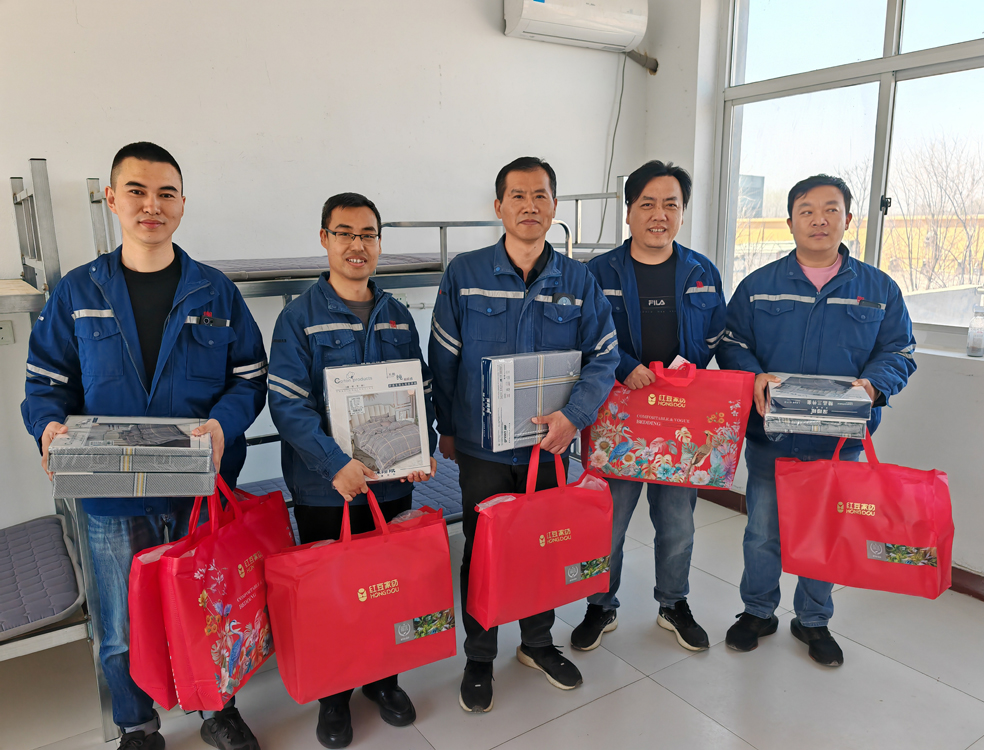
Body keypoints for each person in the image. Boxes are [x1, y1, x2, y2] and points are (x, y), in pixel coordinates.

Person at [22, 142, 268, 750]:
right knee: (118, 622)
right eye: (136, 191)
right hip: (110, 489)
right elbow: (45, 383)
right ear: (112, 199)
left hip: (199, 484)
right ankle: (136, 725)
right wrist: (47, 428)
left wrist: (222, 425)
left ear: (183, 204)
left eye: (165, 193)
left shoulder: (215, 292)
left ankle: (217, 707)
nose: (151, 205)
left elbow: (249, 378)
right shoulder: (78, 292)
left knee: (208, 603)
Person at [429, 156, 619, 713]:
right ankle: (480, 656)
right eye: (518, 196)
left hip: (549, 446)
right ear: (498, 207)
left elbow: (604, 357)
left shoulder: (579, 281)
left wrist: (574, 418)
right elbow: (443, 359)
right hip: (483, 449)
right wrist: (447, 428)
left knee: (544, 545)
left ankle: (537, 643)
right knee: (483, 550)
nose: (529, 206)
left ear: (554, 207)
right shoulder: (465, 274)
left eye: (540, 196)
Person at [717, 174, 916, 667]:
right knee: (762, 531)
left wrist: (874, 384)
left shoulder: (878, 289)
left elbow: (900, 350)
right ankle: (757, 612)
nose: (819, 220)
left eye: (831, 210)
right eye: (806, 210)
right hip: (774, 437)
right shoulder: (759, 286)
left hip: (839, 442)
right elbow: (731, 341)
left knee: (826, 532)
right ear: (790, 222)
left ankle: (812, 619)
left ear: (848, 220)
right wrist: (753, 375)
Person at [267, 192, 436, 749]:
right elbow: (287, 405)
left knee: (388, 584)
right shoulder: (298, 318)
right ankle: (334, 695)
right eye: (344, 233)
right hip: (326, 489)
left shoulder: (397, 314)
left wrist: (423, 450)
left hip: (390, 484)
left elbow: (420, 389)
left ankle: (383, 679)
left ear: (379, 243)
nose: (357, 245)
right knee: (333, 593)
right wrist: (335, 464)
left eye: (367, 234)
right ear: (325, 239)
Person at [573, 160, 726, 652]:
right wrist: (624, 366)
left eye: (671, 205)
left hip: (680, 420)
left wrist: (690, 371)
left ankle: (673, 603)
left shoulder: (702, 272)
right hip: (618, 419)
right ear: (629, 212)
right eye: (648, 204)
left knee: (677, 523)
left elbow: (717, 334)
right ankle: (600, 605)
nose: (659, 215)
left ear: (682, 213)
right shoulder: (597, 273)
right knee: (609, 521)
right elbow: (583, 336)